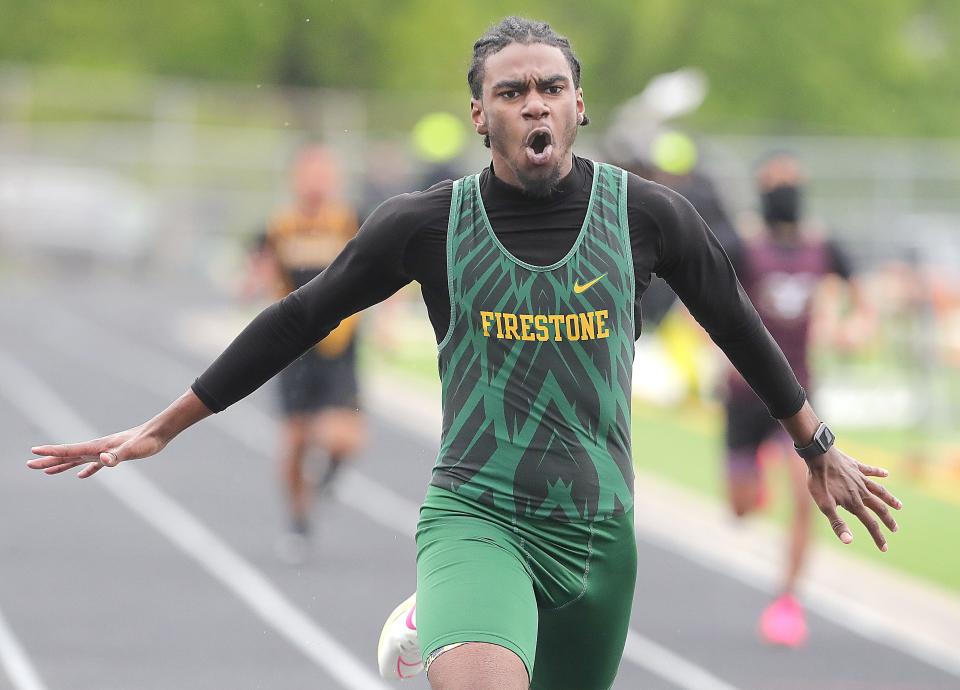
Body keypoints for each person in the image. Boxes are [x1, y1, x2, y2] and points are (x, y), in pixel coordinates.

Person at [28, 17, 901, 690]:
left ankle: (436, 627)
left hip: (599, 535)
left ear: (578, 106)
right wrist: (166, 425)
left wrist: (815, 444)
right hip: (479, 515)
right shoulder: (426, 226)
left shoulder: (650, 217)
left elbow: (736, 321)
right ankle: (459, 612)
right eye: (513, 91)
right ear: (480, 115)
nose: (534, 105)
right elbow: (298, 315)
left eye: (551, 88)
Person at [723, 152, 873, 646]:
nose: (784, 192)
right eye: (776, 183)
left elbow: (863, 303)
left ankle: (787, 602)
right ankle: (754, 482)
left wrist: (853, 328)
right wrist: (715, 348)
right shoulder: (743, 246)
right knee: (741, 508)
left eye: (792, 183)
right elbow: (702, 300)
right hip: (745, 394)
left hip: (799, 397)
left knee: (811, 494)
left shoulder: (824, 247)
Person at [243, 144, 366, 563]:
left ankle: (329, 476)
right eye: (308, 174)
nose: (316, 183)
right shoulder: (280, 227)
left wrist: (386, 318)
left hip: (339, 344)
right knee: (294, 440)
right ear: (295, 180)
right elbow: (257, 268)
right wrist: (251, 283)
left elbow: (385, 268)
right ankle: (298, 520)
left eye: (323, 174)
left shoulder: (351, 220)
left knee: (342, 439)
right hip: (293, 346)